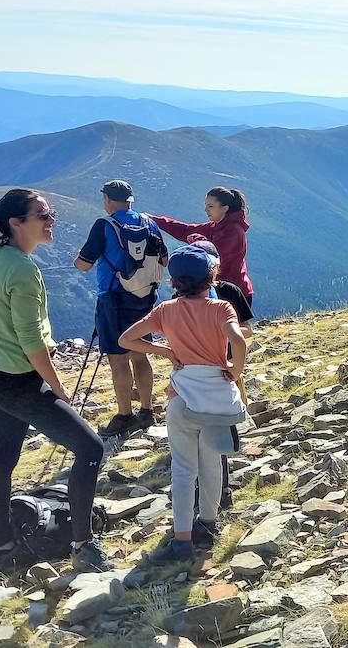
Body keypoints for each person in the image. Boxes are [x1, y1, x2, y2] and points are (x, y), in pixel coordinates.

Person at [0, 188, 112, 573]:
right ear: (16, 223)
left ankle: (3, 547)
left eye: (50, 212)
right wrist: (56, 385)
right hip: (22, 381)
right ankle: (84, 546)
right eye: (43, 214)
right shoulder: (20, 267)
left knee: (2, 461)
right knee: (91, 450)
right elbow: (31, 340)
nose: (51, 219)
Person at [119, 245, 247, 563]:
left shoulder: (165, 311)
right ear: (211, 276)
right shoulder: (221, 309)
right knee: (211, 466)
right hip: (215, 402)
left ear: (174, 281)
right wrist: (235, 370)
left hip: (182, 401)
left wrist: (164, 352)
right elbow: (239, 340)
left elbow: (126, 340)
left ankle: (181, 540)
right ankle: (209, 524)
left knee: (183, 471)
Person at [75, 179, 167, 439]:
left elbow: (83, 265)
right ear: (131, 199)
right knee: (140, 353)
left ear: (107, 200)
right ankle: (147, 410)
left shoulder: (104, 225)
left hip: (113, 298)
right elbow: (165, 259)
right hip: (144, 298)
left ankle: (125, 414)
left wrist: (79, 255)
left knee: (118, 358)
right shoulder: (149, 223)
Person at [186, 240, 252, 510]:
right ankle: (212, 487)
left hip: (217, 368)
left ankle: (218, 489)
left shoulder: (228, 292)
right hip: (215, 368)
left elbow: (247, 330)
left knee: (214, 428)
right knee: (208, 428)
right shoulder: (183, 299)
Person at [153, 186, 253, 305]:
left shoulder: (234, 232)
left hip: (233, 293)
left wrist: (196, 239)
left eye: (210, 206)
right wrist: (155, 220)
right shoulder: (215, 226)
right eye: (206, 205)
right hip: (217, 288)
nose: (206, 210)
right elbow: (186, 230)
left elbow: (212, 255)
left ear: (225, 208)